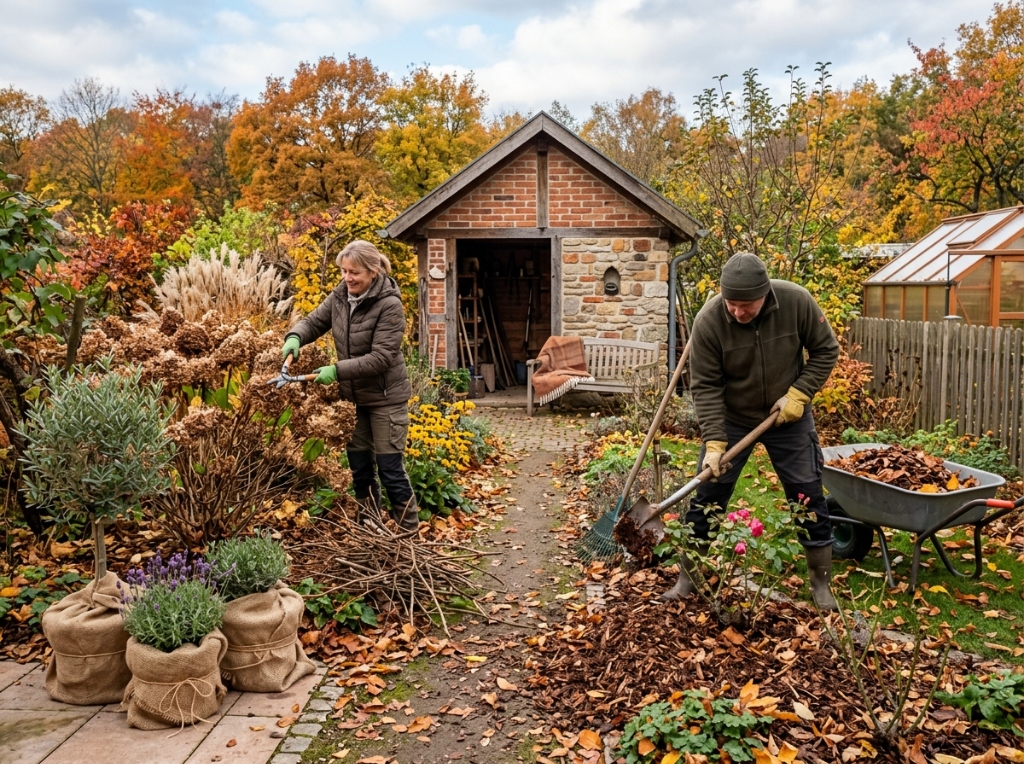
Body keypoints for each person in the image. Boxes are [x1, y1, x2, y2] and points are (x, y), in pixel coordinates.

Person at [661, 252, 840, 610]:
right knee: (708, 494)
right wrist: (714, 442)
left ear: (766, 295)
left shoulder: (796, 301)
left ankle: (821, 586)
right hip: (732, 417)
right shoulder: (710, 320)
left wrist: (800, 393)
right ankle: (687, 580)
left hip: (787, 415)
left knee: (807, 495)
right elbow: (706, 386)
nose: (738, 312)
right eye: (732, 304)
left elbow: (826, 350)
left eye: (747, 305)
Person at [281, 240, 419, 532]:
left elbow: (381, 358)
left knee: (391, 471)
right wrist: (294, 337)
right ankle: (371, 530)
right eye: (344, 271)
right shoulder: (341, 295)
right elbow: (315, 322)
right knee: (361, 470)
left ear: (372, 271)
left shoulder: (390, 305)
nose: (347, 278)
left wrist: (336, 370)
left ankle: (408, 536)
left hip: (385, 400)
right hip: (353, 400)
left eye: (354, 272)